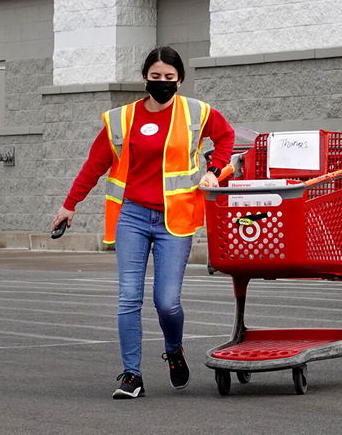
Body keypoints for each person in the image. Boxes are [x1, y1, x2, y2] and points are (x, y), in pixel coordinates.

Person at [51, 46, 235, 399]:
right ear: (145, 78)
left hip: (175, 219)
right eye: (156, 77)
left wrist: (214, 170)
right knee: (128, 297)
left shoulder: (196, 112)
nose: (162, 83)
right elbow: (95, 164)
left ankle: (175, 349)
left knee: (167, 302)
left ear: (180, 79)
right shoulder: (122, 119)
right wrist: (69, 205)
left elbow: (226, 136)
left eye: (169, 78)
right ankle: (131, 375)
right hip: (132, 216)